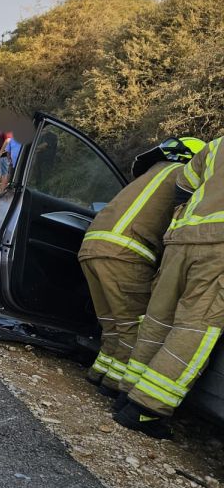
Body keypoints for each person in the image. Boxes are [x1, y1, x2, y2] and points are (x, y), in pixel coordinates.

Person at [77, 137, 204, 398]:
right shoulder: (186, 180)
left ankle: (98, 373)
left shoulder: (152, 171)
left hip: (92, 246)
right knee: (133, 327)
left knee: (112, 324)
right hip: (126, 253)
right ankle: (114, 387)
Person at [116, 135, 224, 437]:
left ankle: (128, 393)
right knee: (196, 328)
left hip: (181, 240)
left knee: (157, 319)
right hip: (219, 252)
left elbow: (184, 185)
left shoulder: (217, 145)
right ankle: (146, 410)